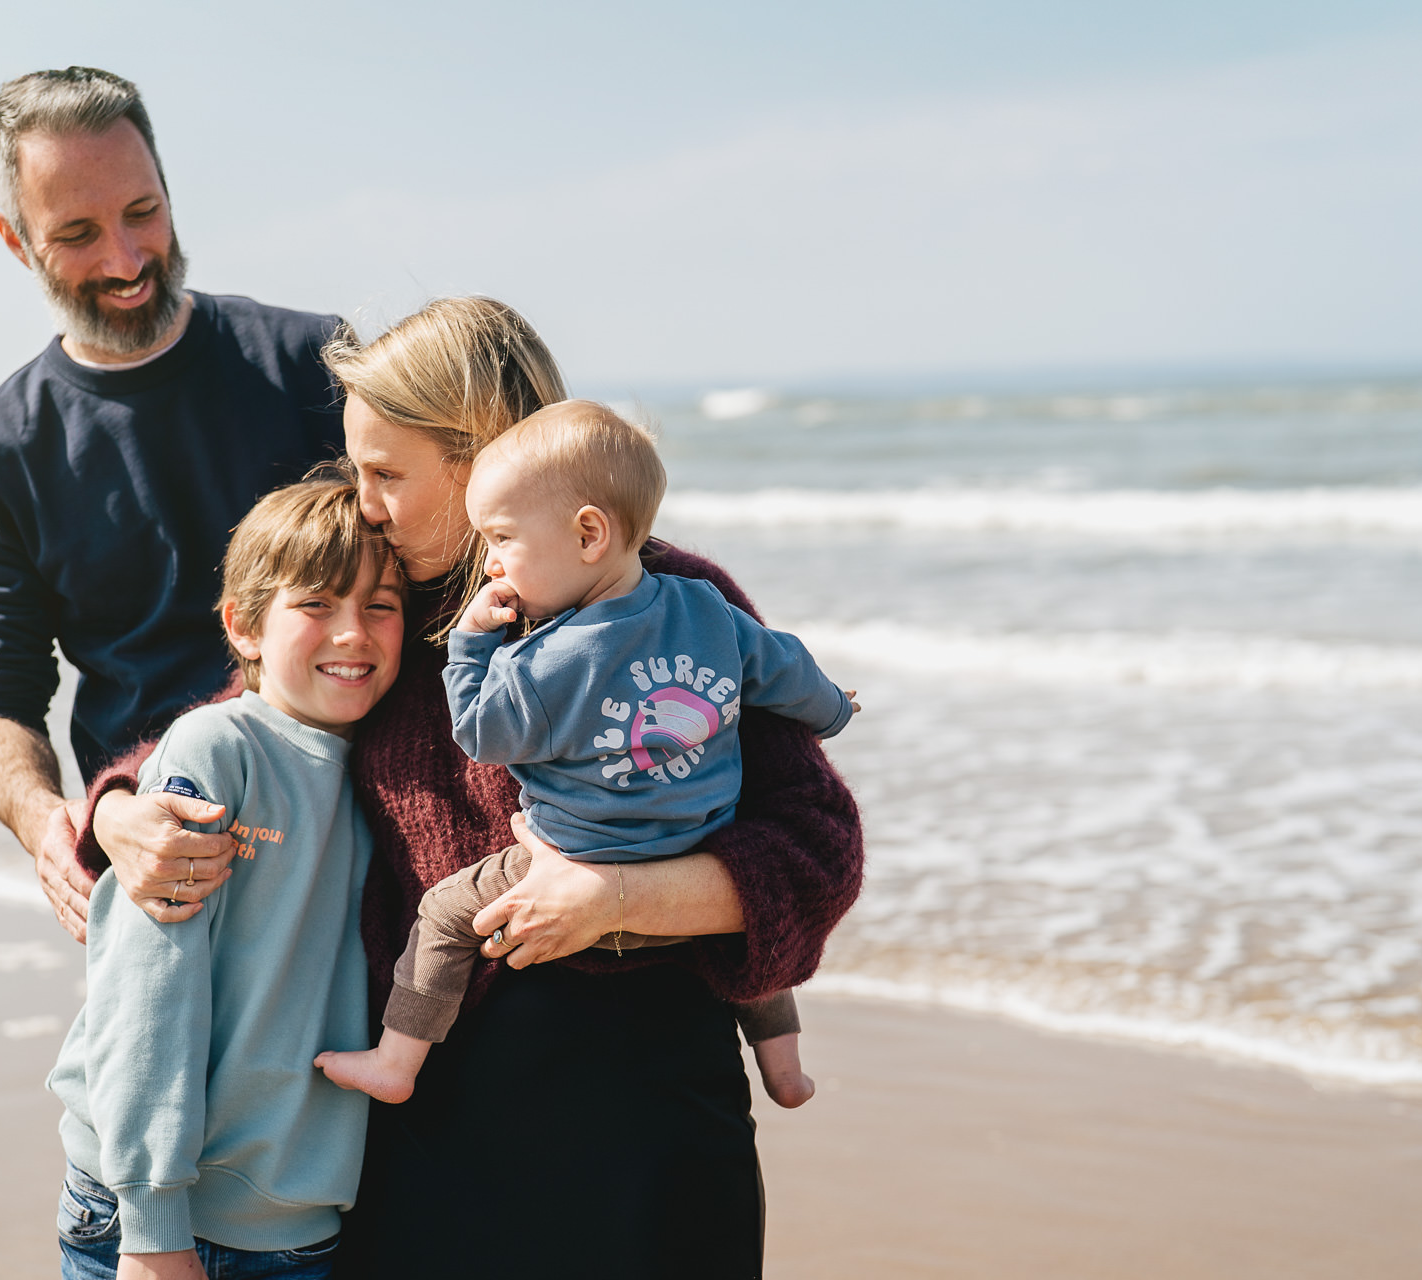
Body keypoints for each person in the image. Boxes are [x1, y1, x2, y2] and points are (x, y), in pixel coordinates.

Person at [81, 298, 863, 1278]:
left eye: (385, 473)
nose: (364, 502)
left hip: (647, 1120)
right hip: (423, 1122)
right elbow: (246, 716)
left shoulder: (674, 603)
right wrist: (118, 807)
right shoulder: (381, 618)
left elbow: (815, 844)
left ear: (479, 454)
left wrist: (615, 898)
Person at [313, 399, 857, 1111]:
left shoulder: (545, 660)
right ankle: (784, 1070)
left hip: (577, 855)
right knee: (748, 951)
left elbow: (482, 733)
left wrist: (472, 644)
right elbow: (789, 673)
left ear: (589, 534)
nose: (493, 562)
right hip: (698, 841)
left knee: (446, 913)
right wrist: (836, 709)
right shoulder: (707, 610)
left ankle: (395, 1060)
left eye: (502, 539)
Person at [0, 66, 343, 942]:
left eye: (142, 213)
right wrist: (57, 826)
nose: (124, 260)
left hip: (369, 832)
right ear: (16, 240)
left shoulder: (317, 365)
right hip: (163, 867)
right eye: (77, 232)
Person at [51, 473, 404, 1280]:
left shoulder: (390, 769)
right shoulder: (219, 750)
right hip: (152, 1213)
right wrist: (152, 1222)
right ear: (244, 626)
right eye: (316, 603)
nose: (353, 633)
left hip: (294, 1223)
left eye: (380, 607)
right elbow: (148, 991)